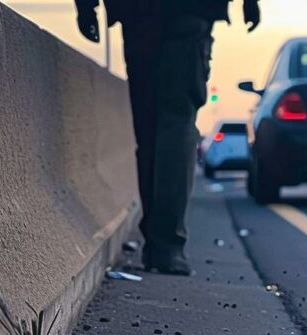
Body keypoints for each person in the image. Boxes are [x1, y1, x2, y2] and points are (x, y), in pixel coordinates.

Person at [75, 0, 260, 275]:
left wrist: (86, 7)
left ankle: (157, 243)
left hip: (137, 14)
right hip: (188, 13)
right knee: (177, 124)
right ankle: (167, 246)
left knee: (149, 130)